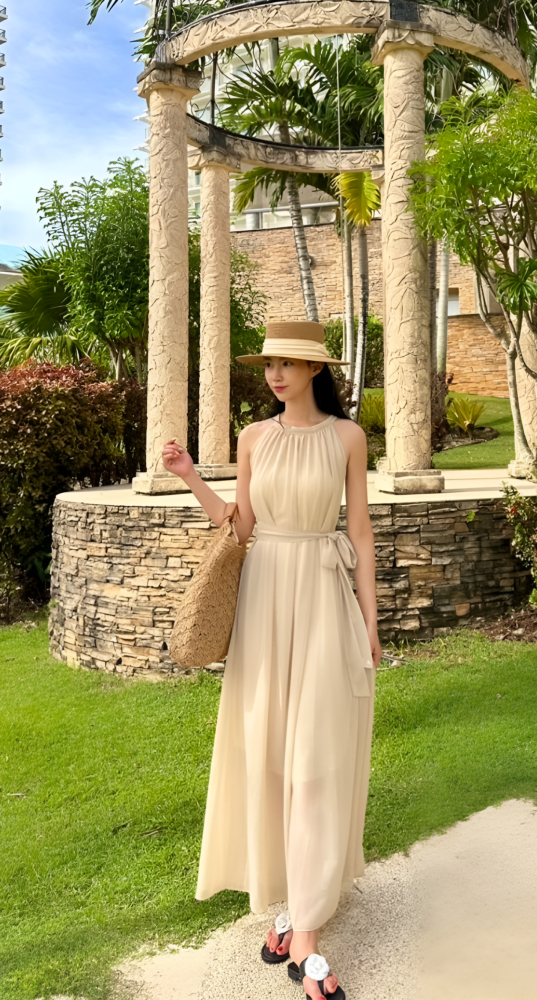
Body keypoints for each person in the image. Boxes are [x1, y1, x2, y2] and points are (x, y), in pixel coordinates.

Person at [162, 321, 381, 1000]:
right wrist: (190, 476)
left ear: (315, 370)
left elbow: (360, 531)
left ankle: (304, 934)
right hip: (264, 601)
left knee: (315, 760)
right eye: (269, 365)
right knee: (272, 758)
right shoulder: (254, 437)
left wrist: (371, 622)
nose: (276, 375)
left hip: (322, 596)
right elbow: (242, 527)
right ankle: (290, 905)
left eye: (288, 363)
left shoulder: (348, 437)